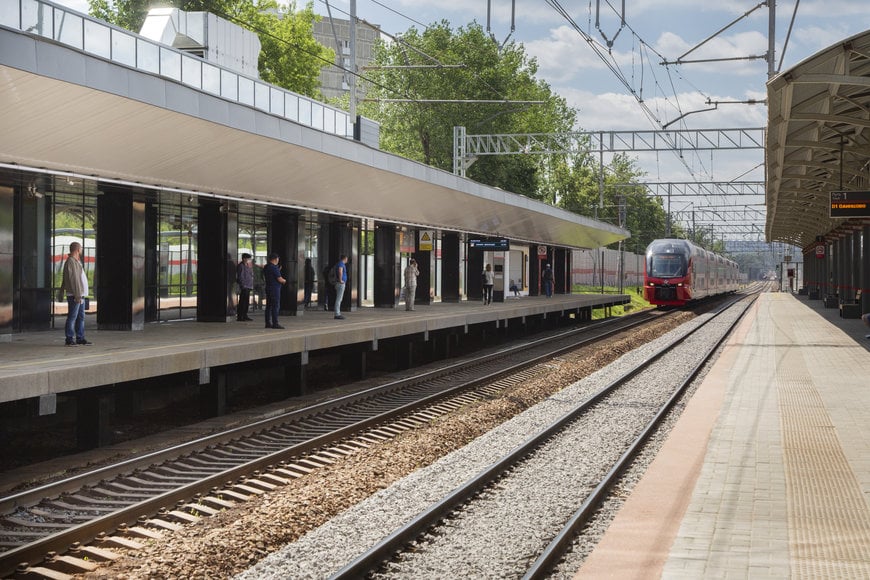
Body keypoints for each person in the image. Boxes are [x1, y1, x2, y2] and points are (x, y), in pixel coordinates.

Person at [60, 241, 92, 346]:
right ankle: (69, 339)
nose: (82, 250)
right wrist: (77, 295)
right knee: (72, 317)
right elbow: (74, 280)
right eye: (81, 248)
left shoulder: (76, 261)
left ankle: (80, 338)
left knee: (81, 317)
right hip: (75, 295)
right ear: (78, 250)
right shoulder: (71, 262)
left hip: (80, 294)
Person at [263, 252, 286, 329]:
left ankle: (267, 323)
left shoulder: (266, 267)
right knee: (275, 306)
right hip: (275, 289)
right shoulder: (274, 268)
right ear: (276, 259)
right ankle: (275, 323)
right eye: (278, 258)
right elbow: (279, 279)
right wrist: (284, 281)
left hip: (268, 288)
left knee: (268, 306)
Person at [236, 253, 254, 321]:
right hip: (244, 286)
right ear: (244, 259)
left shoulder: (248, 265)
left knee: (246, 302)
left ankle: (245, 315)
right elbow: (240, 276)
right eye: (248, 258)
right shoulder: (241, 266)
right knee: (242, 302)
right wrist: (242, 285)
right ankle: (240, 316)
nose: (249, 260)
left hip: (249, 285)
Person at [334, 255, 348, 319]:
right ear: (344, 258)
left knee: (339, 299)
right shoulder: (341, 264)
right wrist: (340, 280)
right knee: (339, 299)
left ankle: (337, 313)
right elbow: (340, 271)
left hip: (339, 283)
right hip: (340, 283)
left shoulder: (340, 263)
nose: (347, 260)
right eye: (346, 259)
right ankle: (337, 314)